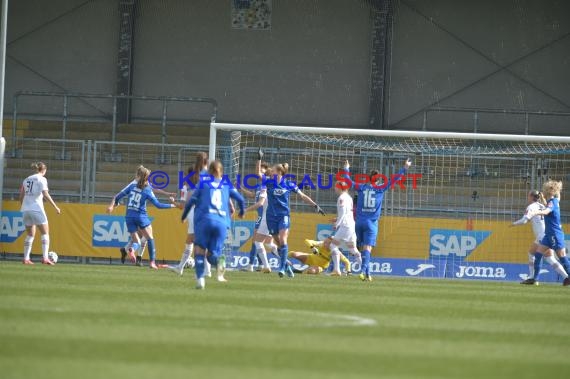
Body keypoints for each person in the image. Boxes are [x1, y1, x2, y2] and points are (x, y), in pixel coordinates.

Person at [181, 160, 246, 290]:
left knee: (199, 251)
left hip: (205, 220)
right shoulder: (226, 184)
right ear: (221, 172)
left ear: (209, 172)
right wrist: (242, 212)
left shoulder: (203, 183)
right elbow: (241, 199)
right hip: (222, 223)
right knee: (212, 256)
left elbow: (192, 200)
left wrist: (183, 216)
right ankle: (219, 262)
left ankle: (200, 280)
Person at [344, 158, 411, 281]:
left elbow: (348, 182)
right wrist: (405, 168)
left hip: (359, 222)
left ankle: (368, 274)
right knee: (367, 248)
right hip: (371, 223)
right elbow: (394, 180)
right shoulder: (381, 188)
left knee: (363, 248)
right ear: (379, 180)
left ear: (369, 178)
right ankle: (363, 271)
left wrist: (346, 168)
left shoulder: (361, 187)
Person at [107, 167, 177, 269]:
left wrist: (112, 206)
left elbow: (117, 197)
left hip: (129, 216)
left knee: (137, 241)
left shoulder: (132, 186)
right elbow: (158, 205)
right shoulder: (147, 189)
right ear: (147, 178)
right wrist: (173, 205)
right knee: (150, 238)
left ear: (138, 176)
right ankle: (152, 262)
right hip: (140, 216)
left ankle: (131, 250)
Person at [264, 162, 325, 278]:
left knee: (283, 240)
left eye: (273, 171)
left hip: (284, 216)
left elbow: (302, 196)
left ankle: (281, 268)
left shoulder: (288, 184)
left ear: (280, 173)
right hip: (271, 217)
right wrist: (259, 159)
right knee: (279, 245)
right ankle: (287, 266)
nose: (271, 172)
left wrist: (315, 205)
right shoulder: (269, 183)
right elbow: (258, 174)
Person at [169, 152, 209, 276]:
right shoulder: (207, 178)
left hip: (193, 213)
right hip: (206, 211)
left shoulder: (186, 187)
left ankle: (186, 268)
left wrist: (172, 202)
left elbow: (182, 205)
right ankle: (182, 267)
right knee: (193, 241)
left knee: (193, 241)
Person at [529, 180, 570, 286]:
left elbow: (547, 211)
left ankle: (568, 277)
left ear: (548, 191)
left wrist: (536, 212)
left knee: (562, 258)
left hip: (555, 235)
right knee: (538, 254)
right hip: (548, 235)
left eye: (545, 189)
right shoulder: (554, 200)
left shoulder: (552, 202)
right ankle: (535, 279)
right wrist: (543, 198)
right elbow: (550, 204)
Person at [19, 162, 61, 265]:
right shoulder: (42, 179)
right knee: (45, 233)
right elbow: (45, 194)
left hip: (25, 209)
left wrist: (24, 207)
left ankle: (26, 258)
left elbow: (21, 196)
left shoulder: (26, 179)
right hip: (36, 209)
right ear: (44, 170)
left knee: (30, 234)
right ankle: (45, 258)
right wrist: (55, 207)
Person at [510, 190, 549, 285]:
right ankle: (532, 278)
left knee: (548, 258)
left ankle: (533, 278)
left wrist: (513, 224)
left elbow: (524, 221)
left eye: (528, 196)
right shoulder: (542, 206)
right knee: (534, 254)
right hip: (546, 234)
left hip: (541, 236)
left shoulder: (531, 207)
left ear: (531, 197)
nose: (528, 198)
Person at [329, 173, 361, 276]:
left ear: (339, 188)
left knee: (333, 245)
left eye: (335, 186)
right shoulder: (349, 197)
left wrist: (337, 223)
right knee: (353, 249)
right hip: (351, 225)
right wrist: (337, 219)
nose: (334, 188)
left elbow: (343, 213)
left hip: (345, 226)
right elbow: (347, 213)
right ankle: (365, 270)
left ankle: (337, 270)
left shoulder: (341, 198)